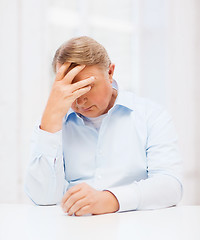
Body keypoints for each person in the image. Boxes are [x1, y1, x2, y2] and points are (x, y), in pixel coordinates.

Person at [25, 36, 183, 216]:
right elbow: (42, 198)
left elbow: (170, 186)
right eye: (71, 88)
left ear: (110, 72)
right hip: (72, 229)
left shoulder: (151, 116)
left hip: (135, 227)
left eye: (88, 86)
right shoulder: (50, 124)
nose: (80, 99)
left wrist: (110, 199)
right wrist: (50, 121)